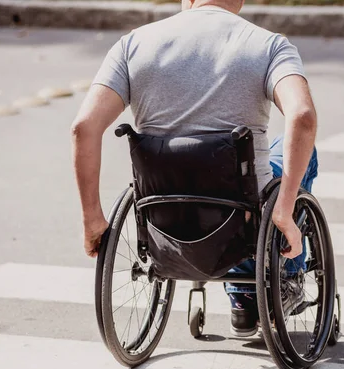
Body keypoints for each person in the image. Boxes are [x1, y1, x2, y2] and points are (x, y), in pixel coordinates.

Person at [71, 0, 318, 337]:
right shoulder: (267, 45)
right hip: (242, 215)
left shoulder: (133, 45)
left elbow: (83, 128)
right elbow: (302, 117)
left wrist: (92, 220)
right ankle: (270, 282)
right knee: (301, 154)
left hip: (162, 210)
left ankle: (244, 297)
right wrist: (285, 210)